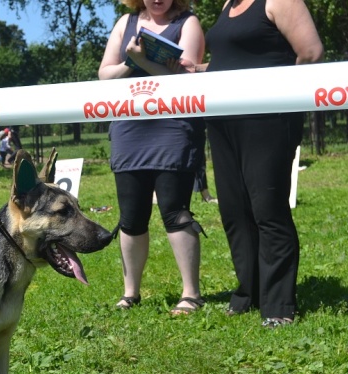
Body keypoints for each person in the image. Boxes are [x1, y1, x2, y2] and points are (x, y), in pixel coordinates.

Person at [184, 0, 323, 327]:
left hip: (268, 119)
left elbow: (311, 52)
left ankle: (278, 304)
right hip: (222, 120)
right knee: (234, 210)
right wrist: (196, 70)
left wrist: (283, 96)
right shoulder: (226, 5)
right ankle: (249, 293)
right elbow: (232, 61)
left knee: (267, 209)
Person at [98, 0, 207, 315]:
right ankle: (130, 292)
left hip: (174, 128)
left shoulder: (188, 23)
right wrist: (131, 62)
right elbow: (105, 74)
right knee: (131, 217)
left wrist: (140, 59)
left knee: (176, 213)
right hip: (129, 128)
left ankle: (191, 294)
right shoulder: (125, 22)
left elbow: (186, 78)